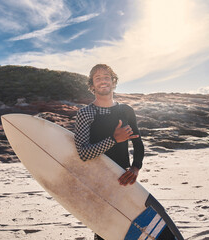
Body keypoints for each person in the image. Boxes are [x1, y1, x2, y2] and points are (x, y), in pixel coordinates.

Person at [74, 64, 144, 240]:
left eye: (106, 77)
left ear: (113, 82)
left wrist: (135, 168)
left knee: (126, 224)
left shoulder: (126, 110)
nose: (103, 81)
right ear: (92, 85)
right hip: (97, 177)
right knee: (104, 227)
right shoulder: (85, 113)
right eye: (97, 78)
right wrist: (114, 139)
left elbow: (138, 143)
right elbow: (83, 153)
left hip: (123, 176)